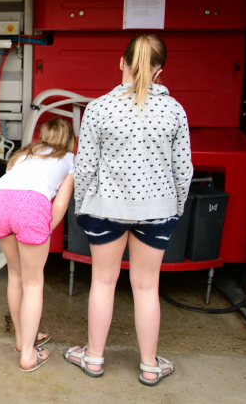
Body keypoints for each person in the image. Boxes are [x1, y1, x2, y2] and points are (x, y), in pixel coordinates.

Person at [64, 34, 192, 386]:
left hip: (105, 209)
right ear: (160, 70)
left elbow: (85, 166)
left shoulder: (99, 108)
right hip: (157, 211)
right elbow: (183, 170)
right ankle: (150, 365)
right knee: (147, 287)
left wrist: (82, 206)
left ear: (121, 62)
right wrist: (175, 206)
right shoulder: (174, 110)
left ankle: (92, 357)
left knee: (103, 282)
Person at [0, 117, 75, 372]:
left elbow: (11, 185)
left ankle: (22, 339)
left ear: (42, 135)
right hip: (32, 205)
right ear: (69, 139)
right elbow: (59, 204)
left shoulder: (23, 154)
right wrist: (42, 231)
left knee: (15, 274)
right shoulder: (70, 159)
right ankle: (28, 354)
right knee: (33, 282)